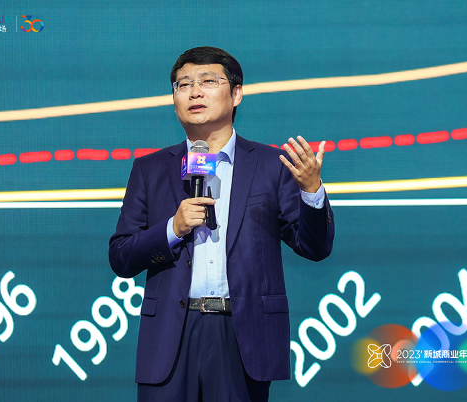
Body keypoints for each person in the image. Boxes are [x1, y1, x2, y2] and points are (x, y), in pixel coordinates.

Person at [109, 46, 334, 402]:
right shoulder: (150, 169)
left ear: (237, 93)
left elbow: (314, 247)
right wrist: (172, 229)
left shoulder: (272, 165)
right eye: (183, 84)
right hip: (171, 335)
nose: (194, 92)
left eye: (208, 81)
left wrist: (311, 191)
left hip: (243, 335)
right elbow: (121, 256)